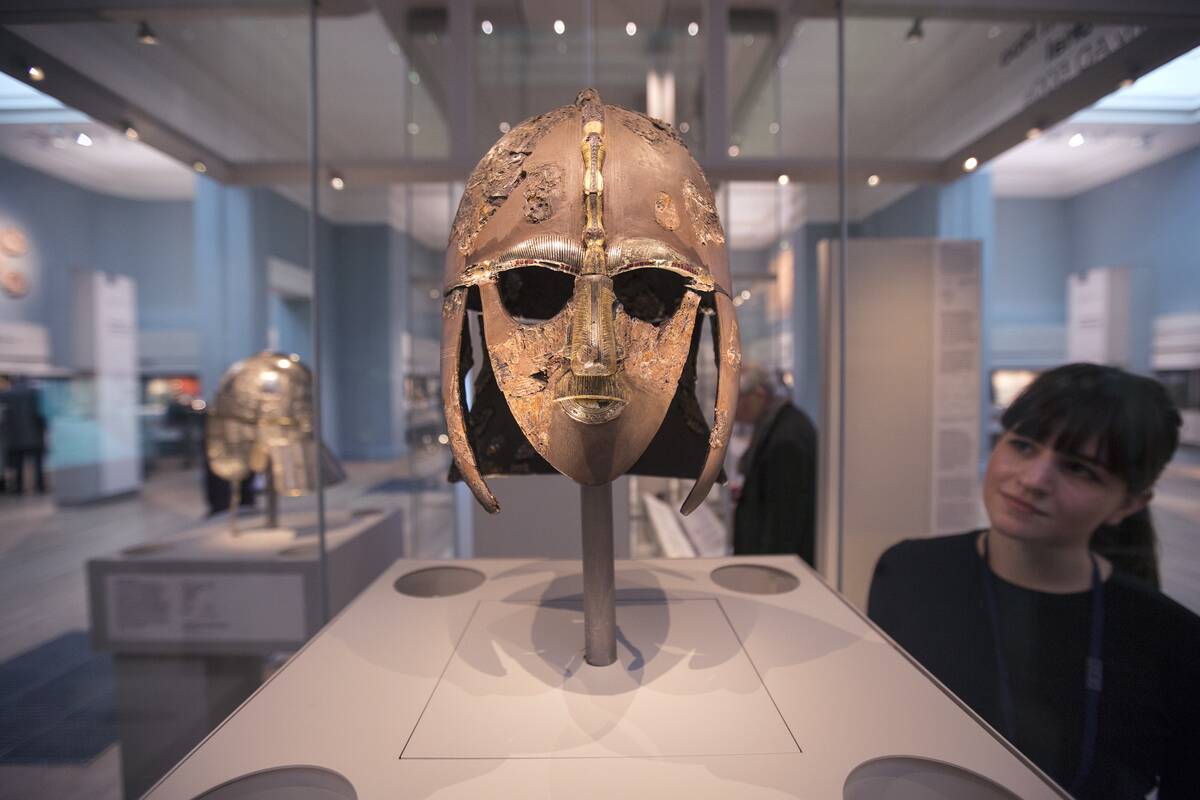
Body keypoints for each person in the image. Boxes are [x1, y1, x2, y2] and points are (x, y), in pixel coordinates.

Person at [868, 363, 1200, 799]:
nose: (1033, 480)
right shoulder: (908, 570)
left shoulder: (1173, 641)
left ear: (1129, 504)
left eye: (1079, 469)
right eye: (1023, 445)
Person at [732, 363, 818, 565]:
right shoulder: (778, 425)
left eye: (736, 399)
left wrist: (767, 571)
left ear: (758, 395)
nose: (730, 409)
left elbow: (783, 525)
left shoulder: (786, 439)